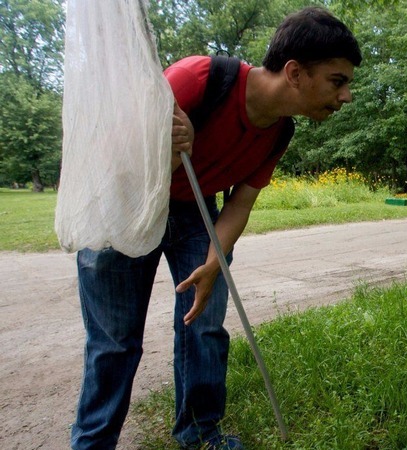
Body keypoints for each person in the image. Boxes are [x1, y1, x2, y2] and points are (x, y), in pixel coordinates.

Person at [70, 6, 361, 450]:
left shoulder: (280, 132)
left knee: (204, 324)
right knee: (115, 343)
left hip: (193, 213)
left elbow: (240, 203)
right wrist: (163, 148)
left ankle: (200, 434)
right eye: (338, 81)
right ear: (295, 72)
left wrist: (213, 264)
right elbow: (112, 155)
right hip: (124, 206)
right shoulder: (198, 79)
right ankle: (92, 444)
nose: (345, 97)